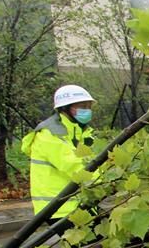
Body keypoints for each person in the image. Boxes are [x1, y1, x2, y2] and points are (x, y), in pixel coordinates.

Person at [21, 85, 96, 218]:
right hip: (59, 207)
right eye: (82, 106)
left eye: (89, 106)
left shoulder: (82, 133)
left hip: (79, 202)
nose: (87, 110)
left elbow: (93, 161)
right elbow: (73, 166)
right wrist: (109, 179)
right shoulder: (49, 134)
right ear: (65, 108)